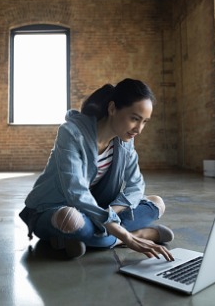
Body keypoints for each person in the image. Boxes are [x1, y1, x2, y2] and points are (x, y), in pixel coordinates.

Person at [19, 78, 174, 261]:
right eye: (134, 119)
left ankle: (71, 239)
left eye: (145, 122)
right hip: (55, 208)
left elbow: (136, 186)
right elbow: (75, 193)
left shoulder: (125, 141)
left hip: (99, 209)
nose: (139, 129)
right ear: (112, 109)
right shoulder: (71, 133)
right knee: (71, 219)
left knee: (156, 203)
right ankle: (139, 235)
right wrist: (125, 236)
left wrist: (110, 213)